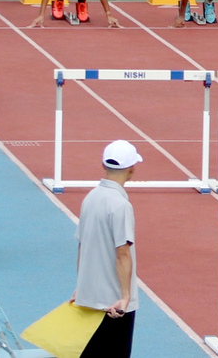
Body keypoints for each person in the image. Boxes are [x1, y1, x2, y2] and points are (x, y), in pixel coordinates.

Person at [73, 139, 142, 358]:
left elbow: (83, 247)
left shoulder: (90, 198)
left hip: (89, 298)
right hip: (113, 305)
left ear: (104, 165)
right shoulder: (120, 205)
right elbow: (122, 254)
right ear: (131, 169)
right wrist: (125, 297)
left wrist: (81, 287)